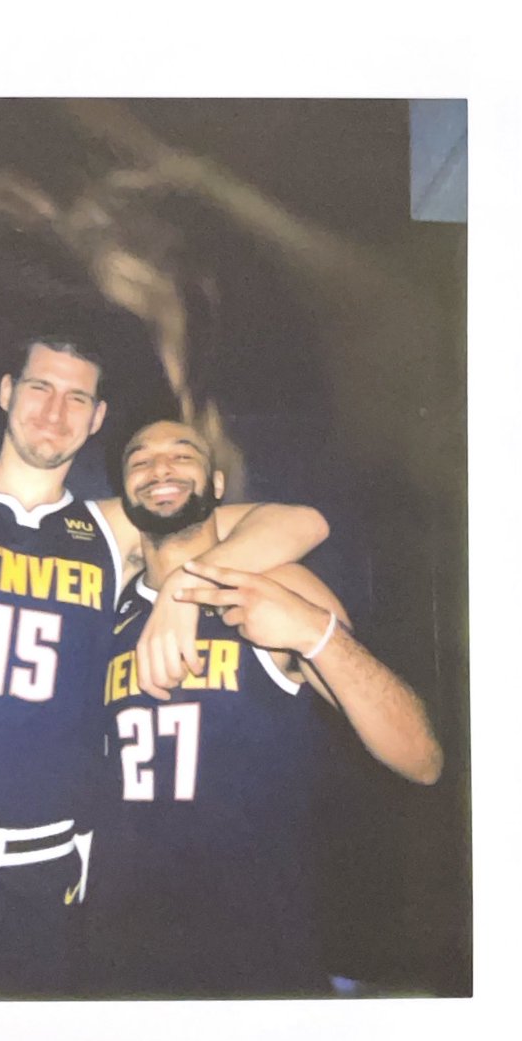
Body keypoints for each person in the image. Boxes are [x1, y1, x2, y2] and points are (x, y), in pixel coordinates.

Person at [0, 337, 329, 999]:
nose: (54, 413)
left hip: (44, 886)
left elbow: (299, 522)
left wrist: (182, 587)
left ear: (97, 417)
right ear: (6, 392)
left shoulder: (109, 532)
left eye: (77, 398)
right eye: (39, 388)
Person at [88, 419, 443, 998]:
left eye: (183, 455)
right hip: (116, 952)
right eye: (140, 460)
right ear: (124, 494)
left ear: (218, 485)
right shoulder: (105, 602)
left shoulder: (276, 583)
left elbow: (422, 757)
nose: (160, 468)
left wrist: (316, 633)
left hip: (254, 952)